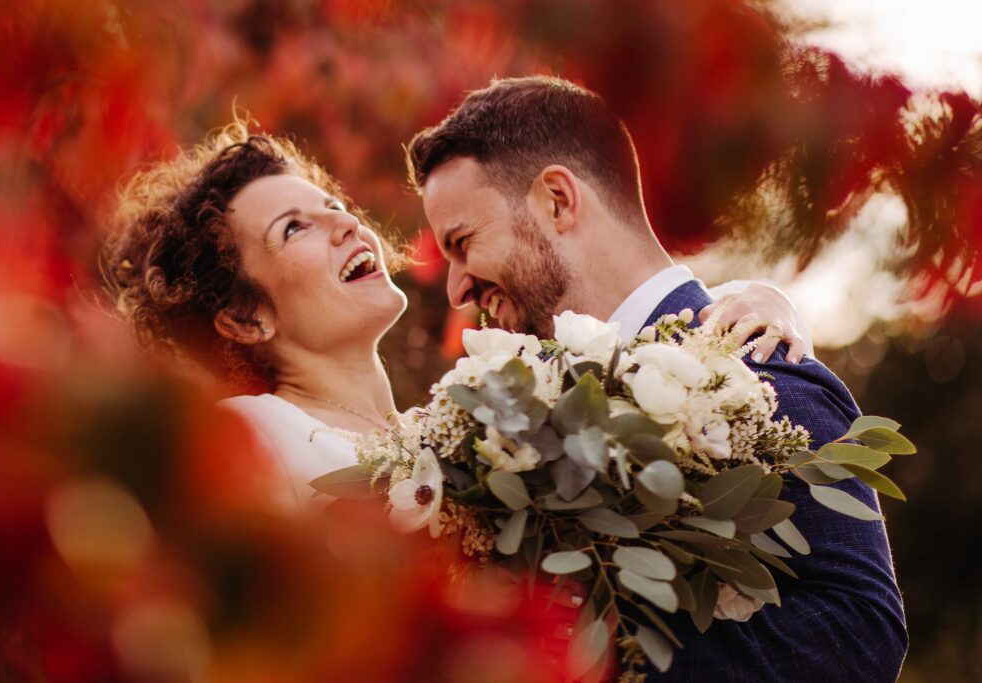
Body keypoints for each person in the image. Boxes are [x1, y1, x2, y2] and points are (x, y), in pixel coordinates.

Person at [102, 116, 814, 670]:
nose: (346, 222)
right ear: (244, 317)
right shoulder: (253, 438)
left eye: (333, 204)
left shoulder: (458, 430)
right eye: (296, 228)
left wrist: (753, 298)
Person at [406, 75, 907, 681]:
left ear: (557, 201)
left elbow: (862, 634)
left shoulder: (760, 370)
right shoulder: (508, 429)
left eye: (462, 243)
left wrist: (595, 648)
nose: (456, 285)